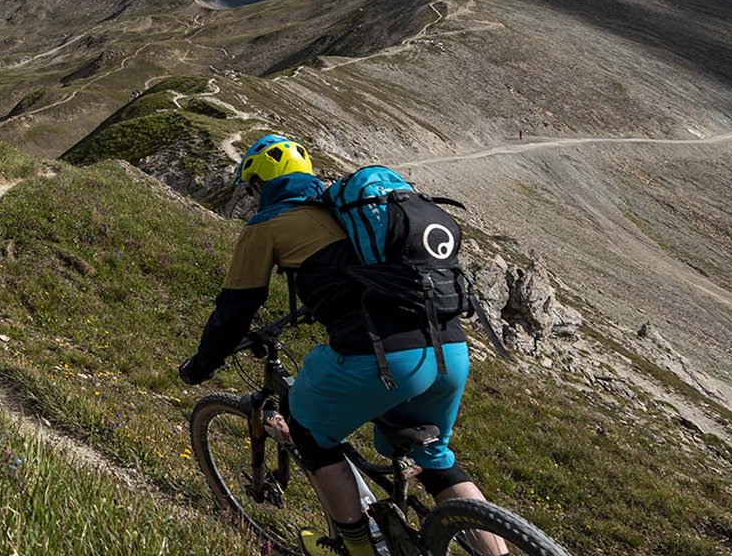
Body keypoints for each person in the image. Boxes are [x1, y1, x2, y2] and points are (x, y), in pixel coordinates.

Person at [178, 135, 506, 556]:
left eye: (253, 188)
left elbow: (235, 308)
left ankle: (358, 548)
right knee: (435, 458)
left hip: (384, 360)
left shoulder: (270, 224)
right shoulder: (352, 214)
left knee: (310, 435)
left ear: (261, 185)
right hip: (451, 350)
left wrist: (202, 365)